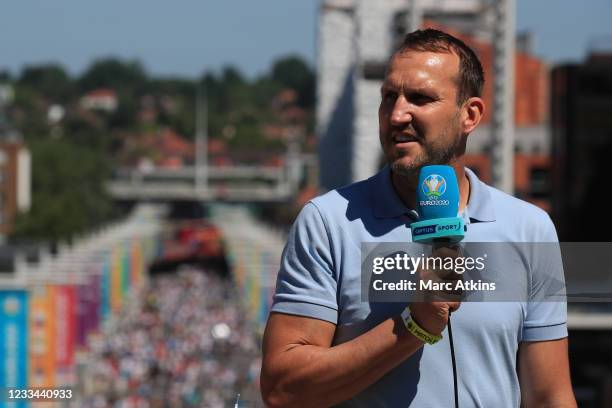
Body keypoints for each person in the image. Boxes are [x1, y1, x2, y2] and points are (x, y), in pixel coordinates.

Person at [260, 29, 576, 407]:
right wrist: (414, 326)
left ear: (470, 115)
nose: (397, 114)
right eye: (389, 97)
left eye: (420, 98)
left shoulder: (530, 228)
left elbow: (549, 396)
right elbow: (283, 390)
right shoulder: (327, 223)